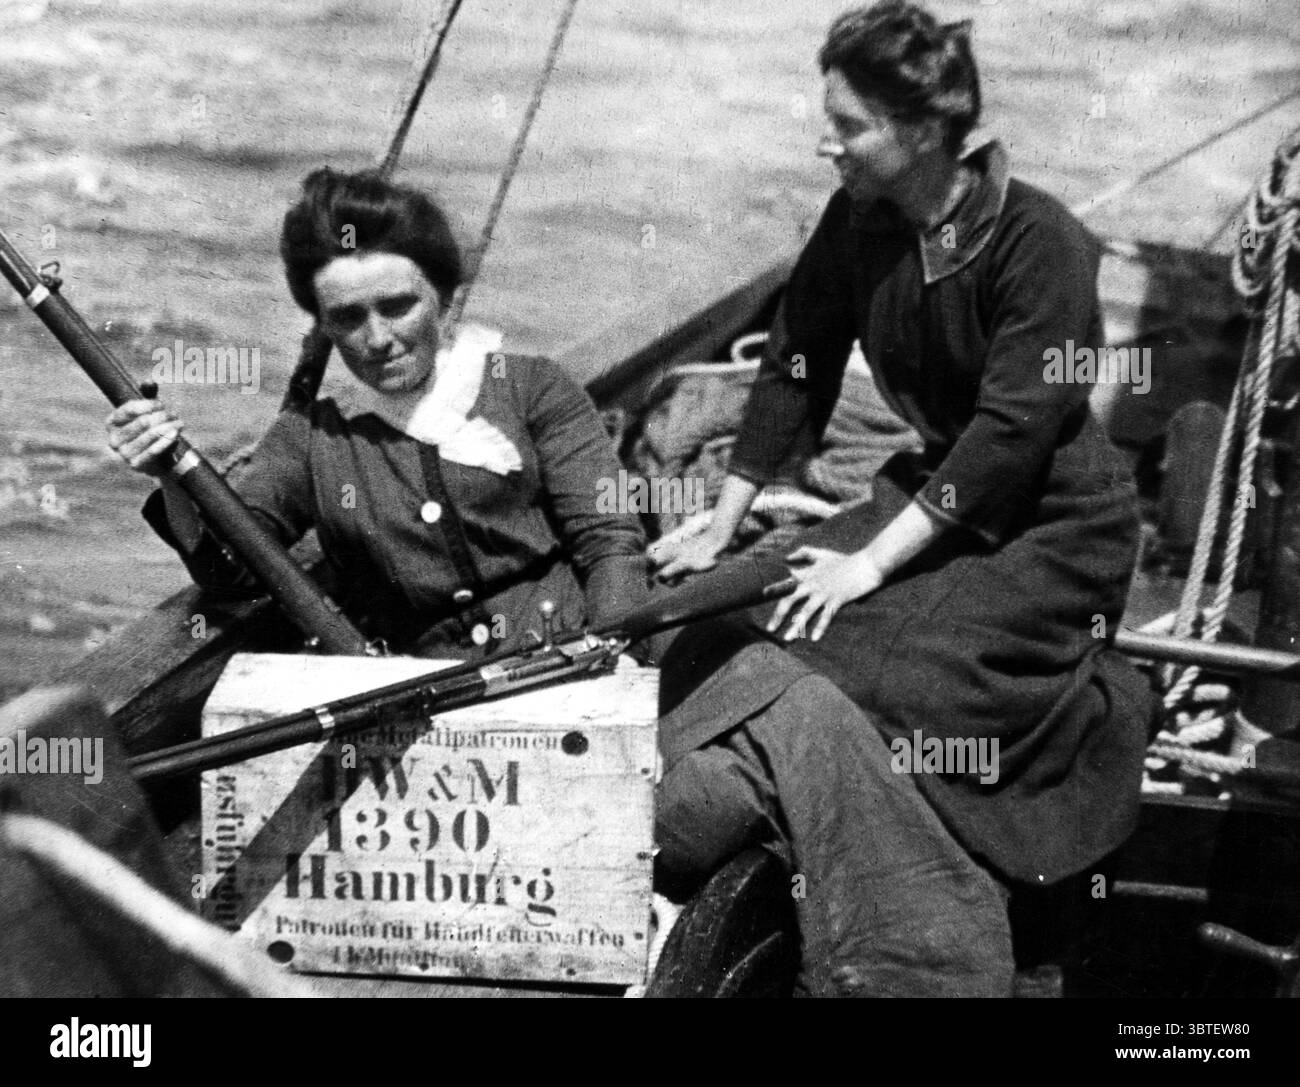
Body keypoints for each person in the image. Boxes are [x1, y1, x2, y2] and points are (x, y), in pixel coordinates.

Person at [651, 1, 1151, 989]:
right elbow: (797, 360)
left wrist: (869, 563)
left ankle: (917, 926)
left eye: (848, 126)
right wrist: (720, 522)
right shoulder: (859, 220)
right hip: (932, 490)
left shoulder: (1041, 242)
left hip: (1052, 521)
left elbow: (1012, 434)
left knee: (879, 671)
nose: (822, 141)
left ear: (922, 133)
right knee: (725, 614)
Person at [107, 168, 648, 657]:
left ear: (446, 299)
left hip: (579, 653)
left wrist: (610, 660)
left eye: (397, 307)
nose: (377, 339)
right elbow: (234, 571)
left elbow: (610, 540)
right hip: (420, 700)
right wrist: (170, 473)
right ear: (322, 326)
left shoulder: (534, 387)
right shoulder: (310, 435)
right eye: (347, 318)